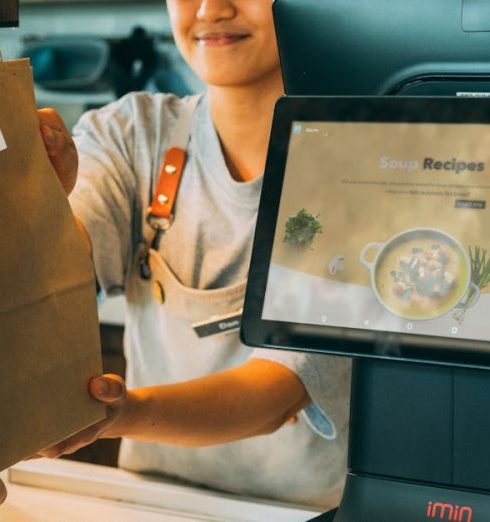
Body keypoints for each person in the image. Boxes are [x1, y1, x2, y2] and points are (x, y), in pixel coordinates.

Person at [34, 0, 351, 509]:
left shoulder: (355, 160)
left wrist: (120, 414)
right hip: (148, 503)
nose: (210, 9)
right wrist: (37, 201)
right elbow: (59, 266)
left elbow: (279, 390)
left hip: (300, 513)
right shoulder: (130, 132)